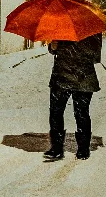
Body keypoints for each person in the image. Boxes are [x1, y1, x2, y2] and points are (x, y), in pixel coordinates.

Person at [43, 33, 102, 162]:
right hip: (61, 76)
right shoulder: (61, 26)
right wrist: (53, 47)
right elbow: (53, 50)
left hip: (83, 78)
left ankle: (83, 148)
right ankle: (56, 148)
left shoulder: (91, 28)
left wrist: (75, 48)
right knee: (55, 112)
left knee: (81, 113)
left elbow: (96, 55)